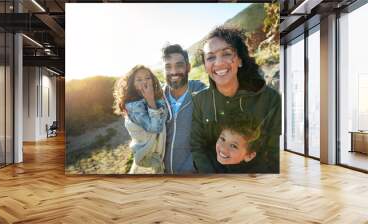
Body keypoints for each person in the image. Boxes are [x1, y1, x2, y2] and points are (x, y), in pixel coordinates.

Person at [190, 27, 281, 173]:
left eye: (226, 54)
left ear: (239, 60)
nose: (218, 63)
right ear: (206, 66)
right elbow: (197, 147)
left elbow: (275, 154)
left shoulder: (270, 100)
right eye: (210, 57)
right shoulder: (200, 101)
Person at [113, 65, 167, 174]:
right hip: (147, 159)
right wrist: (150, 99)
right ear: (133, 84)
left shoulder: (149, 96)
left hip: (157, 154)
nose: (145, 82)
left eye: (148, 78)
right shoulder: (134, 106)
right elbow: (155, 128)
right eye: (139, 80)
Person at [161, 44, 206, 174]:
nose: (173, 72)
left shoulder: (202, 93)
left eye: (179, 65)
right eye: (168, 67)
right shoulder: (157, 99)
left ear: (188, 67)